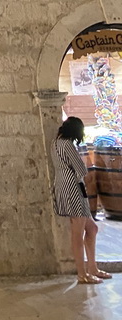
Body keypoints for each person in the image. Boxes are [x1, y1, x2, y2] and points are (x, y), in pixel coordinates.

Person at [52, 116, 111, 284]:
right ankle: (82, 273)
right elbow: (81, 169)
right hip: (73, 187)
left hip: (63, 186)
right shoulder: (67, 144)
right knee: (77, 233)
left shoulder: (55, 143)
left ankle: (92, 268)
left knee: (91, 228)